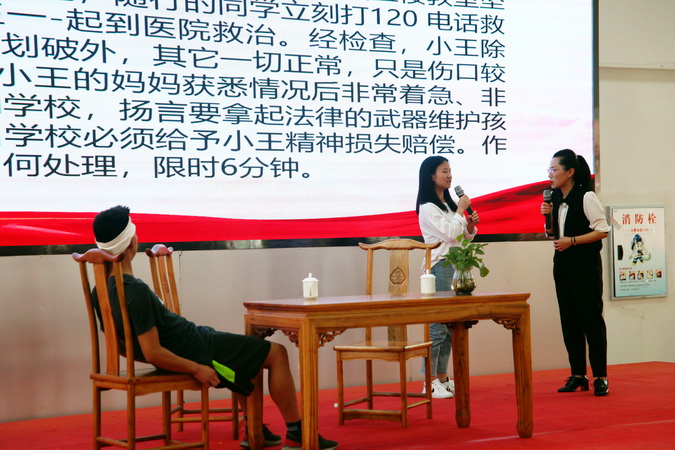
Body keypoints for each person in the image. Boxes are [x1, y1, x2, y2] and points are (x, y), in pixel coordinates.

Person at [91, 205, 338, 449]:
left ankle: (255, 429)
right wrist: (194, 367)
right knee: (276, 353)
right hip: (195, 348)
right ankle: (296, 432)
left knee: (246, 354)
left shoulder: (100, 291)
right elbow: (154, 351)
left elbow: (124, 347)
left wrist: (165, 360)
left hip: (190, 344)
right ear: (131, 242)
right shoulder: (135, 290)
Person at [540, 149, 611, 396]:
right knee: (569, 321)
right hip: (562, 266)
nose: (550, 174)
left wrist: (572, 240)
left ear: (569, 171)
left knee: (591, 320)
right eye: (549, 170)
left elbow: (602, 230)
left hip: (585, 266)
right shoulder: (555, 197)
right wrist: (548, 219)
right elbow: (552, 233)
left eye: (554, 169)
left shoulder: (586, 196)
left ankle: (600, 376)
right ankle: (578, 374)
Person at [415, 156, 480, 399]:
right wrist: (461, 212)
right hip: (439, 266)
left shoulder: (448, 204)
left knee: (451, 328)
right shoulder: (428, 207)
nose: (449, 175)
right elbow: (449, 233)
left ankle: (442, 378)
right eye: (444, 171)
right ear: (431, 176)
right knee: (437, 328)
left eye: (450, 170)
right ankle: (428, 382)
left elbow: (461, 238)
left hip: (456, 265)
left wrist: (469, 227)